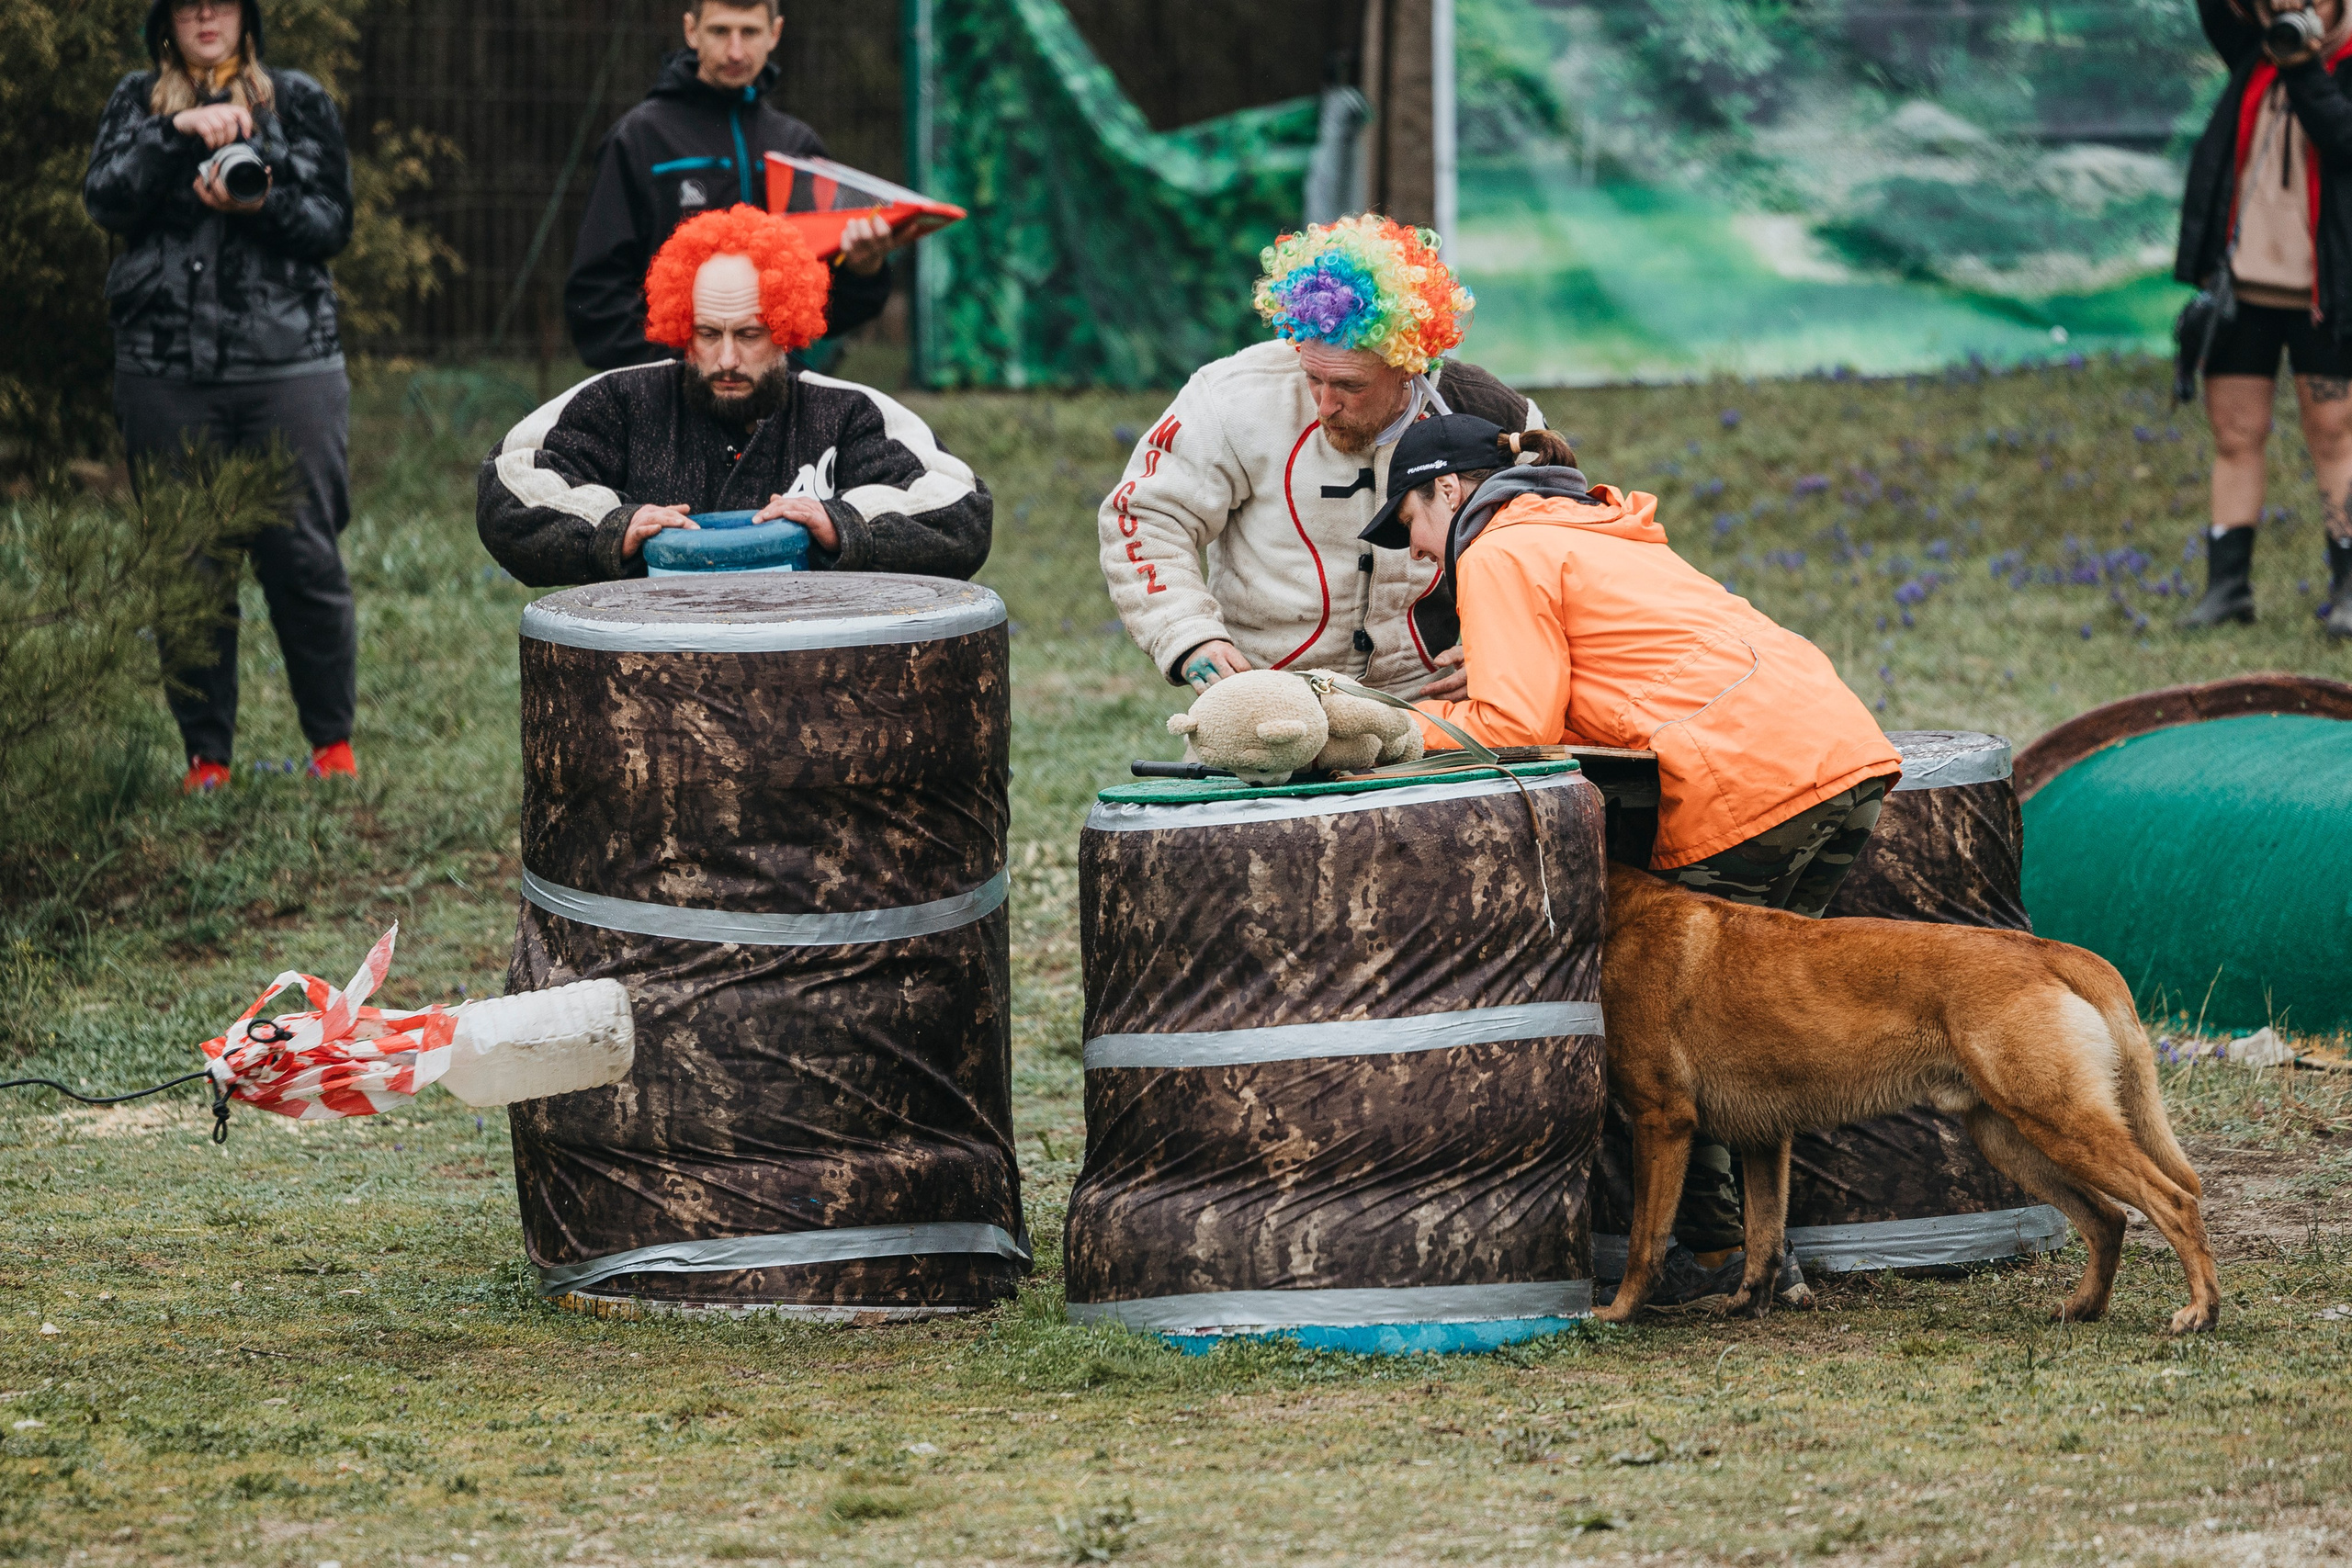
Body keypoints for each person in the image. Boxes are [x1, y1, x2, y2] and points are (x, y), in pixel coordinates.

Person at [1366, 412, 1905, 1303]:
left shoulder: (1495, 551)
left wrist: (1384, 731)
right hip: (1841, 756)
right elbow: (1636, 661)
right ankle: (1768, 1260)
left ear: (1448, 491)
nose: (1419, 550)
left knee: (1675, 1040)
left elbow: (1514, 728)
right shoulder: (1586, 524)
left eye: (1412, 522)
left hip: (1749, 783)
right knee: (1755, 1030)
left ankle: (1712, 1256)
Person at [83, 0, 358, 793]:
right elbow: (105, 199)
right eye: (188, 3)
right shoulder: (136, 103)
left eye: (224, 2)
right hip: (165, 369)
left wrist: (259, 199)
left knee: (303, 553)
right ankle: (207, 760)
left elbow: (333, 222)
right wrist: (176, 138)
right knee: (187, 565)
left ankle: (332, 748)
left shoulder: (296, 100)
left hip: (290, 365)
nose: (207, 14)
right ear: (164, 20)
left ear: (248, 17)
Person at [1099, 214, 1548, 700]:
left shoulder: (1492, 416)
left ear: (1408, 365)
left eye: (1351, 385)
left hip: (1434, 705)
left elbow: (1553, 550)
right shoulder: (1231, 398)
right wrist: (1188, 634)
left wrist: (1503, 649)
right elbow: (1146, 515)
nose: (1325, 403)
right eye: (1313, 376)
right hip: (1265, 699)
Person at [481, 205, 989, 586]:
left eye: (749, 335)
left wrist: (844, 526)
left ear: (788, 327)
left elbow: (961, 511)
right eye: (707, 334)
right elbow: (509, 485)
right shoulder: (623, 401)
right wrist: (613, 529)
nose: (725, 359)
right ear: (682, 325)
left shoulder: (848, 412)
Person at [565, 0, 899, 373]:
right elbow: (595, 297)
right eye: (720, 31)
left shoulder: (797, 146)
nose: (736, 51)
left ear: (775, 34)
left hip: (773, 395)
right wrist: (670, 377)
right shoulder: (640, 140)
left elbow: (825, 308)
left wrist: (863, 270)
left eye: (750, 32)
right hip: (669, 394)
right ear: (691, 31)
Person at [2176, 0, 2352, 637]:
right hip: (2241, 288)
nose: (2290, 5)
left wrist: (2305, 66)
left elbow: (2342, 139)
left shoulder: (2340, 62)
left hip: (2327, 292)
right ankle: (2227, 587)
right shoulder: (2253, 50)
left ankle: (2348, 584)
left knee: (2334, 432)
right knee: (2235, 432)